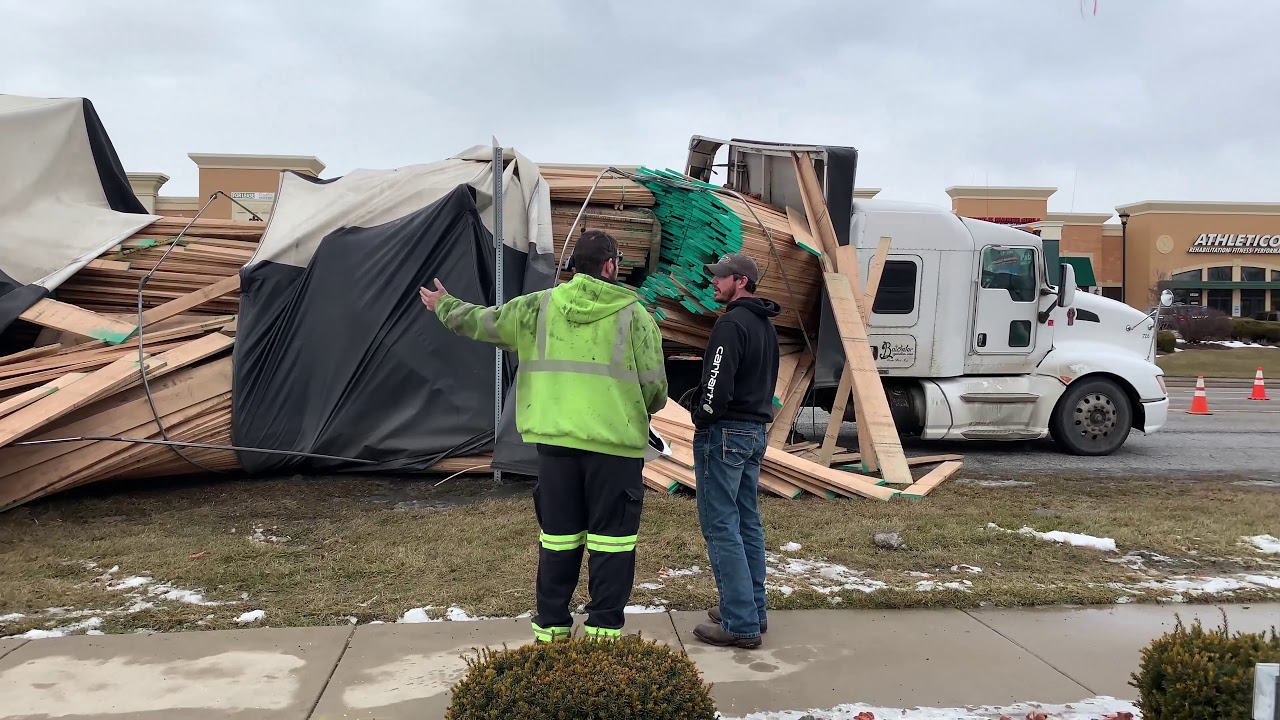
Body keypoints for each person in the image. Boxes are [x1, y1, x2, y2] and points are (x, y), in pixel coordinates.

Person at [418, 229, 668, 644]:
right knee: (614, 543)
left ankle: (551, 626)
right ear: (611, 266)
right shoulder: (633, 315)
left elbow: (484, 322)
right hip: (615, 451)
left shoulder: (539, 307)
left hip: (555, 450)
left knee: (558, 538)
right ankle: (603, 631)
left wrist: (444, 305)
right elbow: (655, 390)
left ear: (571, 267)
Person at [686, 252, 780, 649]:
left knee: (721, 524)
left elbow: (715, 385)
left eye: (720, 277)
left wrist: (703, 417)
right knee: (746, 522)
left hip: (724, 434)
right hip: (755, 432)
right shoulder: (765, 326)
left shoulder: (731, 323)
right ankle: (751, 611)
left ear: (740, 281)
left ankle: (739, 622)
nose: (714, 282)